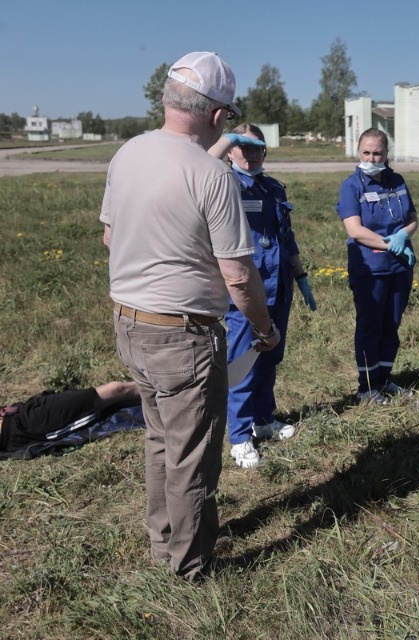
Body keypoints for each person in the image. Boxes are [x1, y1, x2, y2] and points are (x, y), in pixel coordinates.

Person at [100, 51, 280, 581]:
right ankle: (192, 568)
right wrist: (265, 331)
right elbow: (240, 277)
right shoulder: (213, 176)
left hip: (130, 324)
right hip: (183, 338)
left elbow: (111, 235)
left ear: (167, 99)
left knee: (160, 439)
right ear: (219, 116)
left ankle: (163, 544)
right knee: (193, 457)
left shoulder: (127, 154)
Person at [208, 124, 317, 469]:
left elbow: (287, 237)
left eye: (258, 147)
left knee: (270, 358)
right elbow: (196, 168)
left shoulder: (273, 188)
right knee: (243, 363)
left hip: (279, 285)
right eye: (244, 147)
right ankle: (239, 436)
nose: (251, 154)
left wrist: (300, 277)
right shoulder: (223, 185)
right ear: (229, 151)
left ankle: (263, 419)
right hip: (246, 290)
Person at [335, 128, 418, 404]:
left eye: (377, 153)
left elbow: (412, 218)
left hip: (400, 266)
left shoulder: (397, 180)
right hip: (370, 269)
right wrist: (390, 244)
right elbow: (355, 230)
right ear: (358, 152)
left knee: (391, 324)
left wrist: (404, 235)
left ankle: (385, 379)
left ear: (386, 154)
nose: (371, 158)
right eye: (366, 152)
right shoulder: (352, 186)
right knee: (370, 326)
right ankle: (367, 387)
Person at [1, 381, 140, 456]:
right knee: (115, 389)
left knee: (115, 392)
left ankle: (156, 387)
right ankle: (159, 389)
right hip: (23, 428)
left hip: (17, 412)